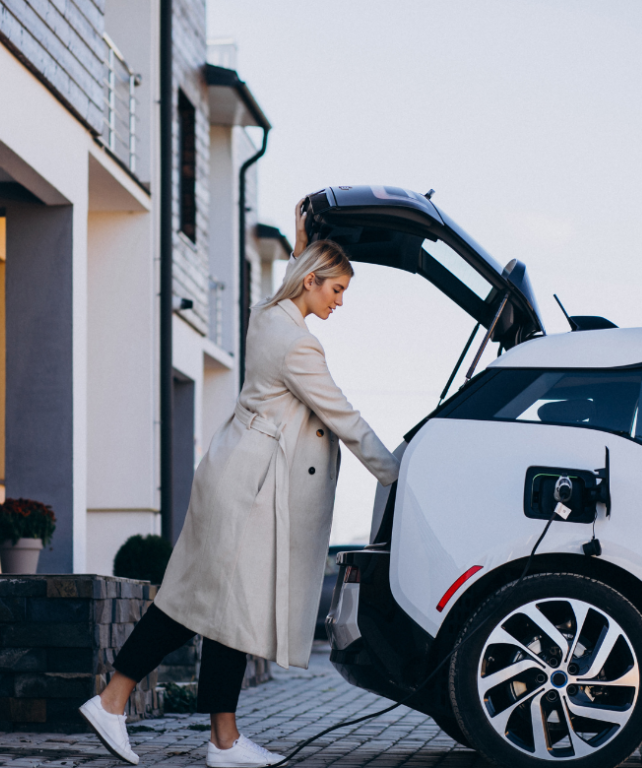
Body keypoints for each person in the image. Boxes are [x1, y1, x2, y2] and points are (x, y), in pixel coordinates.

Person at [79, 200, 399, 768]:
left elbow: (294, 285)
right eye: (338, 289)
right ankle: (112, 701)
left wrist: (303, 241)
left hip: (243, 476)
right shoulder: (298, 343)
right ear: (313, 281)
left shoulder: (268, 315)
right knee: (191, 604)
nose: (340, 301)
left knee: (230, 611)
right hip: (248, 487)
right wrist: (399, 476)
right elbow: (342, 416)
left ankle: (224, 741)